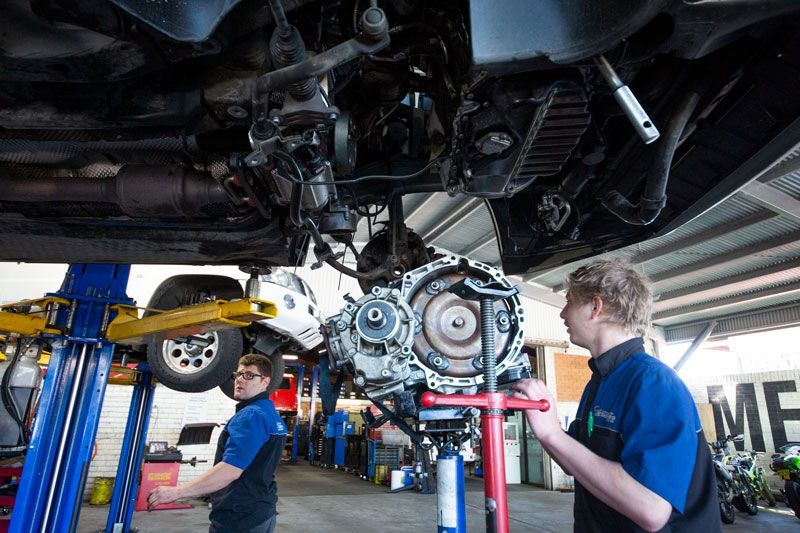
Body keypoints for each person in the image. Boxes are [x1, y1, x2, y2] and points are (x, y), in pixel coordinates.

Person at [513, 260, 719, 532]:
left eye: (569, 301)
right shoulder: (603, 379)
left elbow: (651, 509)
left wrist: (553, 434)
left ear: (596, 307)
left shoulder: (653, 383)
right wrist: (547, 428)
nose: (563, 313)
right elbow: (580, 465)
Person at [148, 353, 287, 532]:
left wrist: (178, 492)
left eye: (249, 375)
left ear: (265, 382)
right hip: (261, 512)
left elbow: (230, 470)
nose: (240, 380)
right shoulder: (271, 415)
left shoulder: (250, 415)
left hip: (240, 517)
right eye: (238, 374)